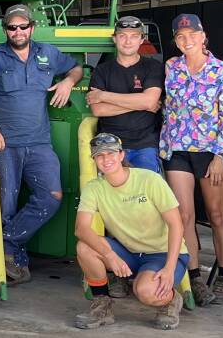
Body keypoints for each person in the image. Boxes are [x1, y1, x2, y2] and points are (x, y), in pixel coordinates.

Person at [0, 3, 82, 285]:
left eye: (23, 26)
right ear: (6, 30)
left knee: (52, 196)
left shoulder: (47, 53)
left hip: (39, 143)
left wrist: (68, 83)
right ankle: (12, 263)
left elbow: (76, 67)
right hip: (5, 145)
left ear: (32, 28)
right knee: (4, 205)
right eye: (12, 27)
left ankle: (3, 242)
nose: (18, 31)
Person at [160, 13, 223, 305]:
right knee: (184, 216)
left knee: (217, 215)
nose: (187, 40)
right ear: (176, 40)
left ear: (203, 36)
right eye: (181, 36)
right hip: (178, 150)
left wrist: (221, 155)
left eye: (192, 35)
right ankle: (195, 277)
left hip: (211, 154)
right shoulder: (172, 68)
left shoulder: (222, 71)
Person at [74, 133, 187, 330]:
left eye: (110, 153)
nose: (106, 159)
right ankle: (102, 304)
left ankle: (170, 299)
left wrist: (169, 269)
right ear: (94, 160)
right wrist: (109, 255)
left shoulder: (149, 179)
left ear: (121, 155)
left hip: (162, 253)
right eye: (99, 156)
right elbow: (81, 228)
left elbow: (176, 224)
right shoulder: (94, 188)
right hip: (129, 252)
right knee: (85, 247)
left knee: (144, 291)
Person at [86, 16, 163, 175]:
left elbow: (149, 101)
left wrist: (103, 95)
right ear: (114, 39)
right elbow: (98, 110)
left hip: (145, 144)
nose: (128, 41)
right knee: (113, 195)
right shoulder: (101, 71)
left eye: (134, 36)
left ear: (142, 40)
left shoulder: (153, 67)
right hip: (110, 145)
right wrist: (140, 104)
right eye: (122, 36)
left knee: (146, 193)